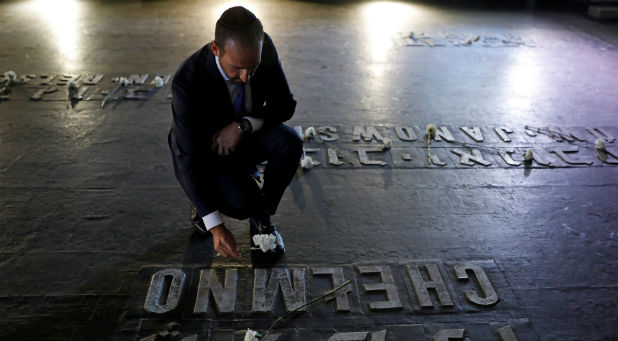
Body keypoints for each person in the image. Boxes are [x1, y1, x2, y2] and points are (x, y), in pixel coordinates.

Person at [168, 6, 302, 260]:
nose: (246, 76)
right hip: (209, 149)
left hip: (246, 134)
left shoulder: (263, 48)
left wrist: (242, 126)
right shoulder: (187, 80)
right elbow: (186, 156)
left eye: (253, 67)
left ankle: (262, 216)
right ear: (215, 50)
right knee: (240, 204)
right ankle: (204, 204)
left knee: (290, 143)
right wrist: (216, 226)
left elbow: (286, 104)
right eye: (237, 68)